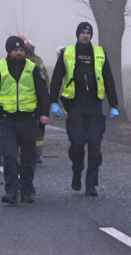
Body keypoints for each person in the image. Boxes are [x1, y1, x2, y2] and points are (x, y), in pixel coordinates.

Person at [49, 21, 119, 197]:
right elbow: (57, 78)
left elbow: (108, 79)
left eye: (88, 33)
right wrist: (53, 102)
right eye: (83, 32)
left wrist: (114, 105)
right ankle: (76, 170)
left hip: (95, 106)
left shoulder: (100, 53)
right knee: (78, 143)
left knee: (95, 147)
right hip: (75, 107)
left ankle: (90, 184)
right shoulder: (67, 53)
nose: (85, 35)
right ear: (78, 34)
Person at [0, 35, 50, 204]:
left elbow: (43, 93)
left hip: (29, 120)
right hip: (7, 120)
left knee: (29, 157)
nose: (19, 53)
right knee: (9, 156)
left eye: (21, 50)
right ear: (9, 52)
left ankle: (26, 190)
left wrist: (44, 113)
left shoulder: (33, 68)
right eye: (15, 50)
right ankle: (11, 191)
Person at [19, 36, 50, 163]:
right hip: (20, 103)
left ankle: (37, 154)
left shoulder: (37, 61)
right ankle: (23, 154)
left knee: (39, 129)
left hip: (36, 102)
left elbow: (45, 79)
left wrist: (46, 99)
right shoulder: (11, 63)